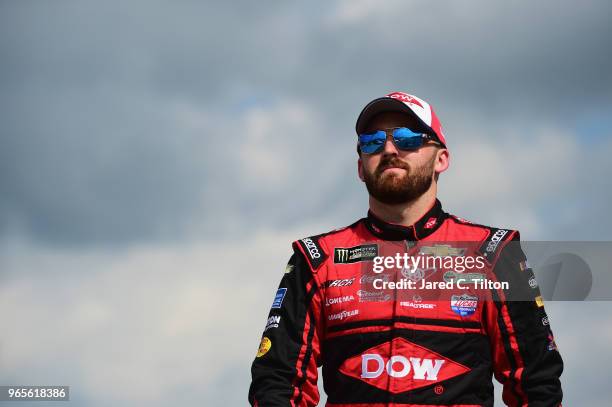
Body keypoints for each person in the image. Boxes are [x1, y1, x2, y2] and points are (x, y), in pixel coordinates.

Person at [248, 91, 563, 406]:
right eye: (372, 142)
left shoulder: (497, 253)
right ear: (360, 168)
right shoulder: (317, 258)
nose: (388, 149)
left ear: (442, 159)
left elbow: (536, 385)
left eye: (408, 138)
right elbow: (277, 382)